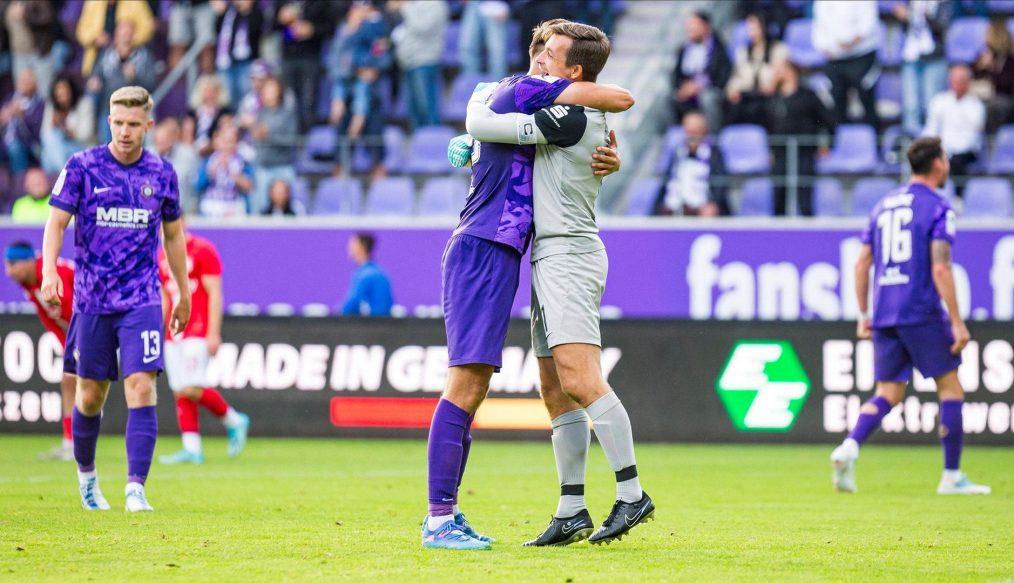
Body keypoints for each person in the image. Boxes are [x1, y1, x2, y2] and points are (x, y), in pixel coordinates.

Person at [424, 19, 631, 551]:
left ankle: (450, 513)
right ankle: (439, 518)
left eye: (549, 53)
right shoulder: (521, 89)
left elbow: (566, 135)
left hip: (501, 250)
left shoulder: (528, 99)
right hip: (482, 247)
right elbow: (615, 98)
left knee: (476, 386)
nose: (539, 59)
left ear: (570, 68)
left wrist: (608, 154)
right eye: (538, 50)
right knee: (465, 384)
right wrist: (477, 128)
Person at [41, 86, 191, 512]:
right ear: (109, 121)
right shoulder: (82, 166)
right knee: (90, 395)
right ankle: (87, 479)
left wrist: (182, 291)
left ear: (148, 125)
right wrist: (49, 270)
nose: (125, 132)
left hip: (142, 297)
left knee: (142, 386)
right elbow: (56, 223)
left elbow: (174, 235)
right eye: (119, 123)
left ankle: (135, 489)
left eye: (134, 124)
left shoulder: (162, 173)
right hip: (92, 300)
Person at [830, 136, 990, 496]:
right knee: (950, 387)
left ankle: (849, 448)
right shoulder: (938, 206)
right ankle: (951, 476)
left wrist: (863, 313)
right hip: (920, 309)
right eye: (945, 159)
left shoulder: (883, 205)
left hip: (885, 311)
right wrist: (957, 321)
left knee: (887, 392)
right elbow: (940, 268)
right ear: (938, 164)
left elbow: (861, 263)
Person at [158, 225, 250, 465]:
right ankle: (192, 449)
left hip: (198, 326)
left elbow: (215, 293)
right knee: (179, 389)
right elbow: (165, 297)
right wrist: (157, 327)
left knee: (191, 386)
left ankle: (234, 420)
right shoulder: (161, 256)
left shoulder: (202, 250)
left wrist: (213, 332)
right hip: (173, 332)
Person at [3, 241, 76, 461]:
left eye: (13, 264)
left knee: (79, 383)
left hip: (99, 328)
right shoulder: (29, 284)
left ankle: (76, 443)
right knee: (69, 380)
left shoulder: (52, 273)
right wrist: (68, 348)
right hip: (79, 336)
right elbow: (51, 321)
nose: (8, 272)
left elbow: (77, 313)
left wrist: (80, 345)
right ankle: (72, 443)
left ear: (28, 261)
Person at [764, 60, 836, 216]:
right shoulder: (774, 98)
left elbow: (828, 120)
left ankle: (808, 227)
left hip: (804, 151)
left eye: (781, 69)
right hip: (781, 152)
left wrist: (826, 144)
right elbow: (768, 125)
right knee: (778, 195)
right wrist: (770, 150)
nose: (777, 72)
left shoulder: (808, 95)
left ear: (791, 72)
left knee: (804, 197)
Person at [812, 0, 879, 129]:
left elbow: (868, 24)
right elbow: (818, 28)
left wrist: (851, 41)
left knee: (866, 101)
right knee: (836, 103)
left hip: (861, 56)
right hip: (835, 58)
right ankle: (841, 138)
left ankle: (873, 138)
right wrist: (824, 46)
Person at [923, 64, 985, 200]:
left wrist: (951, 152)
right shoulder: (939, 101)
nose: (957, 84)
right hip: (942, 150)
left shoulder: (976, 105)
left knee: (956, 160)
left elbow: (973, 137)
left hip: (965, 152)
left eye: (961, 80)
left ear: (968, 83)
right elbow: (931, 129)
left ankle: (958, 198)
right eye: (954, 80)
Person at [88, 21, 156, 145]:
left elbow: (151, 84)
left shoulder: (144, 56)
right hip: (109, 111)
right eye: (122, 34)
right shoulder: (106, 55)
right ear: (116, 37)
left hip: (134, 113)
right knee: (108, 147)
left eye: (129, 34)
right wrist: (94, 82)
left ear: (134, 37)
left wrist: (135, 78)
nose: (126, 38)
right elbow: (95, 75)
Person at [655, 111, 729, 216]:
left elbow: (720, 182)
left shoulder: (714, 153)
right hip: (677, 203)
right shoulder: (678, 152)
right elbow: (667, 180)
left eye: (695, 132)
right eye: (689, 132)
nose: (692, 136)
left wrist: (714, 204)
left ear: (704, 132)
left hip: (703, 204)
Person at [387, 0, 448, 130]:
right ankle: (418, 139)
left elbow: (423, 27)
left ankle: (432, 138)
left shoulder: (435, 4)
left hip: (424, 62)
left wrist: (405, 6)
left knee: (426, 107)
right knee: (413, 110)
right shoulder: (414, 5)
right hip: (408, 63)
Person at [894, 0, 952, 134]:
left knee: (931, 106)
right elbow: (908, 29)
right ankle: (911, 143)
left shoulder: (943, 3)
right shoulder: (911, 2)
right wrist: (904, 17)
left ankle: (931, 142)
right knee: (910, 106)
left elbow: (943, 28)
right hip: (910, 56)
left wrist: (927, 15)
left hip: (934, 59)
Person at [671, 11, 731, 133]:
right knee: (666, 99)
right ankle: (675, 137)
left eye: (694, 25)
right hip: (687, 93)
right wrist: (682, 88)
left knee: (708, 99)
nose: (689, 29)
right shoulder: (684, 49)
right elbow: (675, 75)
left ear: (705, 27)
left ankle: (714, 137)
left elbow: (723, 76)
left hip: (710, 89)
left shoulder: (719, 48)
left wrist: (700, 87)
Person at [725, 12, 787, 125]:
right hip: (747, 97)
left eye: (755, 28)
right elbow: (735, 76)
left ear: (764, 27)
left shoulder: (778, 49)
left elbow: (782, 74)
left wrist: (773, 84)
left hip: (769, 97)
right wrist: (732, 90)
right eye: (749, 28)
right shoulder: (742, 52)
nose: (751, 32)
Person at [250, 76, 298, 214]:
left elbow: (291, 140)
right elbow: (257, 139)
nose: (269, 93)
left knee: (289, 209)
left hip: (283, 167)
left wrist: (268, 135)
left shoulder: (287, 114)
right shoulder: (261, 114)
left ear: (279, 92)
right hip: (263, 168)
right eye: (266, 89)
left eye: (272, 89)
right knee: (261, 207)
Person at [76, 0, 154, 77]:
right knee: (94, 82)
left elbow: (148, 28)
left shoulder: (135, 2)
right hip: (98, 56)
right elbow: (81, 31)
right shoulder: (93, 2)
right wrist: (94, 38)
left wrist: (126, 41)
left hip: (128, 58)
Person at [41, 73, 96, 174]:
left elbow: (86, 134)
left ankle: (63, 175)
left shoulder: (84, 103)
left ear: (71, 90)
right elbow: (45, 135)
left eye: (65, 90)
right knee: (48, 149)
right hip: (60, 148)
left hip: (82, 147)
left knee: (48, 155)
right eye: (59, 92)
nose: (62, 94)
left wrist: (66, 129)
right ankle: (64, 172)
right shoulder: (51, 106)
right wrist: (54, 126)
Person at [195, 124, 253, 218]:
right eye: (224, 141)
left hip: (234, 207)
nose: (227, 146)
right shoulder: (207, 160)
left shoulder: (242, 162)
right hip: (210, 207)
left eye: (231, 141)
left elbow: (248, 187)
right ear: (217, 141)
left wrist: (233, 172)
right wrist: (211, 172)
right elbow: (198, 186)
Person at [972, 18, 1014, 133]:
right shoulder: (985, 55)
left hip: (1004, 99)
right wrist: (980, 67)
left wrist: (992, 68)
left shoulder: (1010, 60)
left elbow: (1005, 85)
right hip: (982, 96)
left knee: (991, 107)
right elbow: (973, 75)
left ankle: (992, 138)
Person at [0, 68, 45, 173]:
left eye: (28, 81)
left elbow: (36, 131)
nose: (24, 83)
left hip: (28, 144)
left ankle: (19, 180)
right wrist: (4, 115)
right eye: (22, 80)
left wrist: (22, 116)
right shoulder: (9, 99)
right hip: (4, 141)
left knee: (15, 147)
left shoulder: (40, 104)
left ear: (35, 85)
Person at [341, 233, 393, 317]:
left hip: (372, 322)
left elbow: (352, 303)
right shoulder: (380, 272)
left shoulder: (364, 275)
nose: (350, 248)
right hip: (385, 321)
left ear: (362, 246)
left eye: (353, 244)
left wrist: (338, 315)